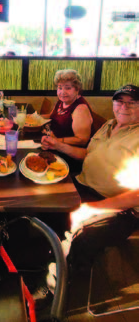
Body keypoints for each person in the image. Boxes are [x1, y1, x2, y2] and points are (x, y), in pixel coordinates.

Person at [42, 84, 139, 271]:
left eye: (132, 103)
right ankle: (51, 256)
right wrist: (57, 145)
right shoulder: (108, 125)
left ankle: (69, 281)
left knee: (83, 239)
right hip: (83, 184)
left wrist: (92, 208)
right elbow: (87, 154)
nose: (124, 107)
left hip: (118, 207)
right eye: (120, 102)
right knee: (46, 201)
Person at [42, 69, 93, 147]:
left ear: (77, 89)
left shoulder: (80, 109)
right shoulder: (62, 101)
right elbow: (51, 115)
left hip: (68, 150)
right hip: (54, 142)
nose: (63, 92)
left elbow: (82, 140)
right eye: (60, 88)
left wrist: (55, 141)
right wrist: (31, 117)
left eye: (68, 88)